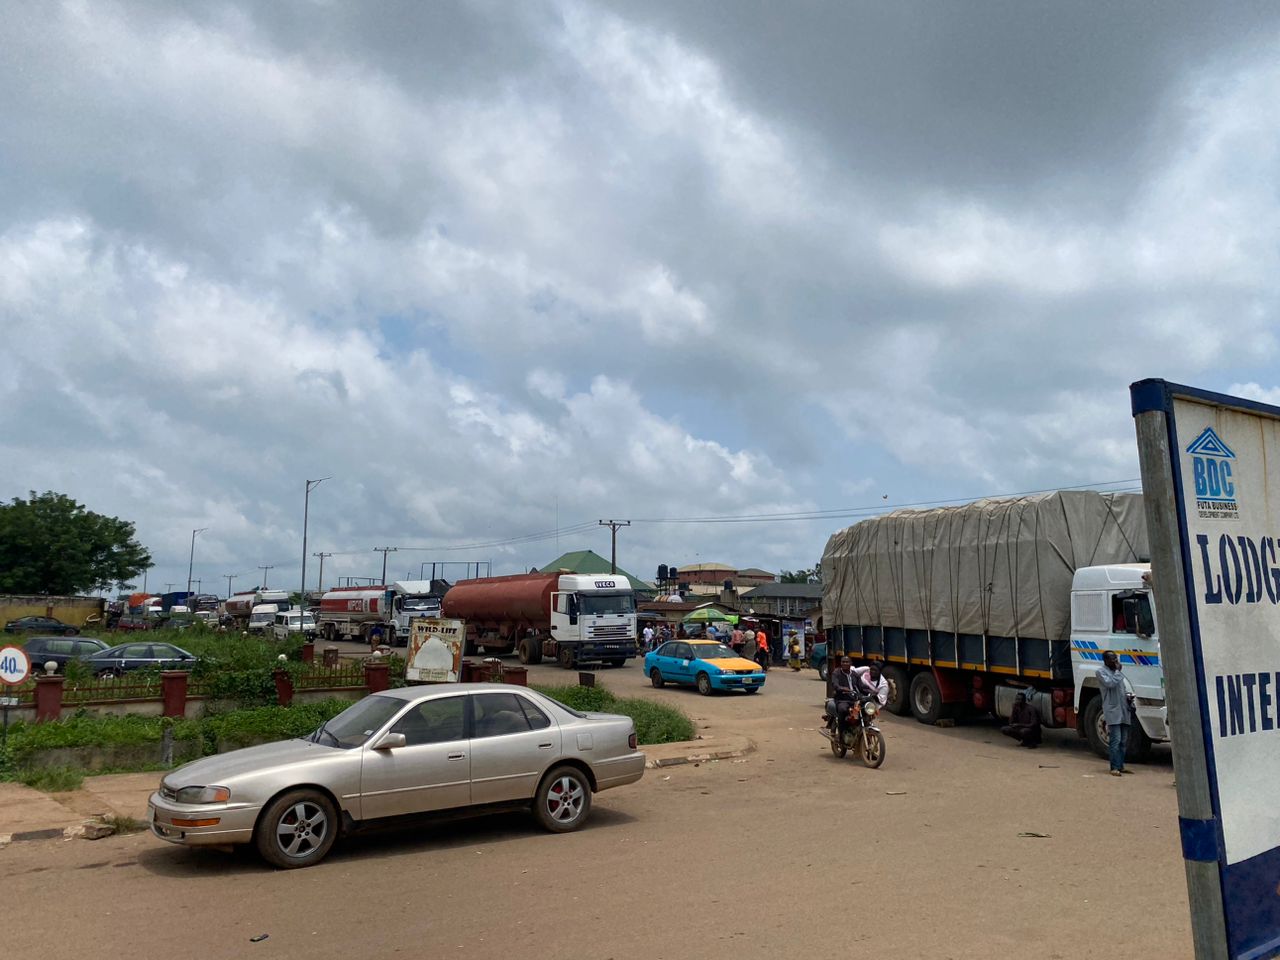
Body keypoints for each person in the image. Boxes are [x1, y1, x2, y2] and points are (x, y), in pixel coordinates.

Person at [1097, 650, 1135, 775]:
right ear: (1106, 661)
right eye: (1112, 659)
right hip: (1112, 710)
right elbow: (1110, 684)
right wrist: (1118, 671)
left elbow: (1121, 689)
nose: (1115, 662)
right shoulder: (1101, 672)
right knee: (1116, 739)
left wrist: (1129, 698)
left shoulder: (1116, 673)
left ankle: (1121, 765)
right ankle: (1114, 767)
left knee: (1124, 740)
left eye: (1116, 659)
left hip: (1124, 709)